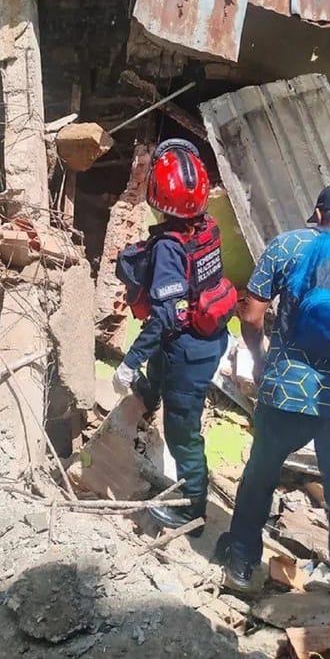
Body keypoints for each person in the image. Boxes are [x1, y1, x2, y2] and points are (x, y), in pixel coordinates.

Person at [221, 182, 330, 618]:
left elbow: (253, 316)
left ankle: (240, 566)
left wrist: (260, 360)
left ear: (318, 214)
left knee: (260, 476)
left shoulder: (288, 245)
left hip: (289, 390)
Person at [112, 139, 236, 532]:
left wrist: (130, 361)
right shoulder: (208, 228)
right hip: (207, 338)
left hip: (187, 350)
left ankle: (192, 510)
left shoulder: (169, 246)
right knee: (160, 379)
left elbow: (166, 315)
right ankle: (147, 400)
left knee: (183, 433)